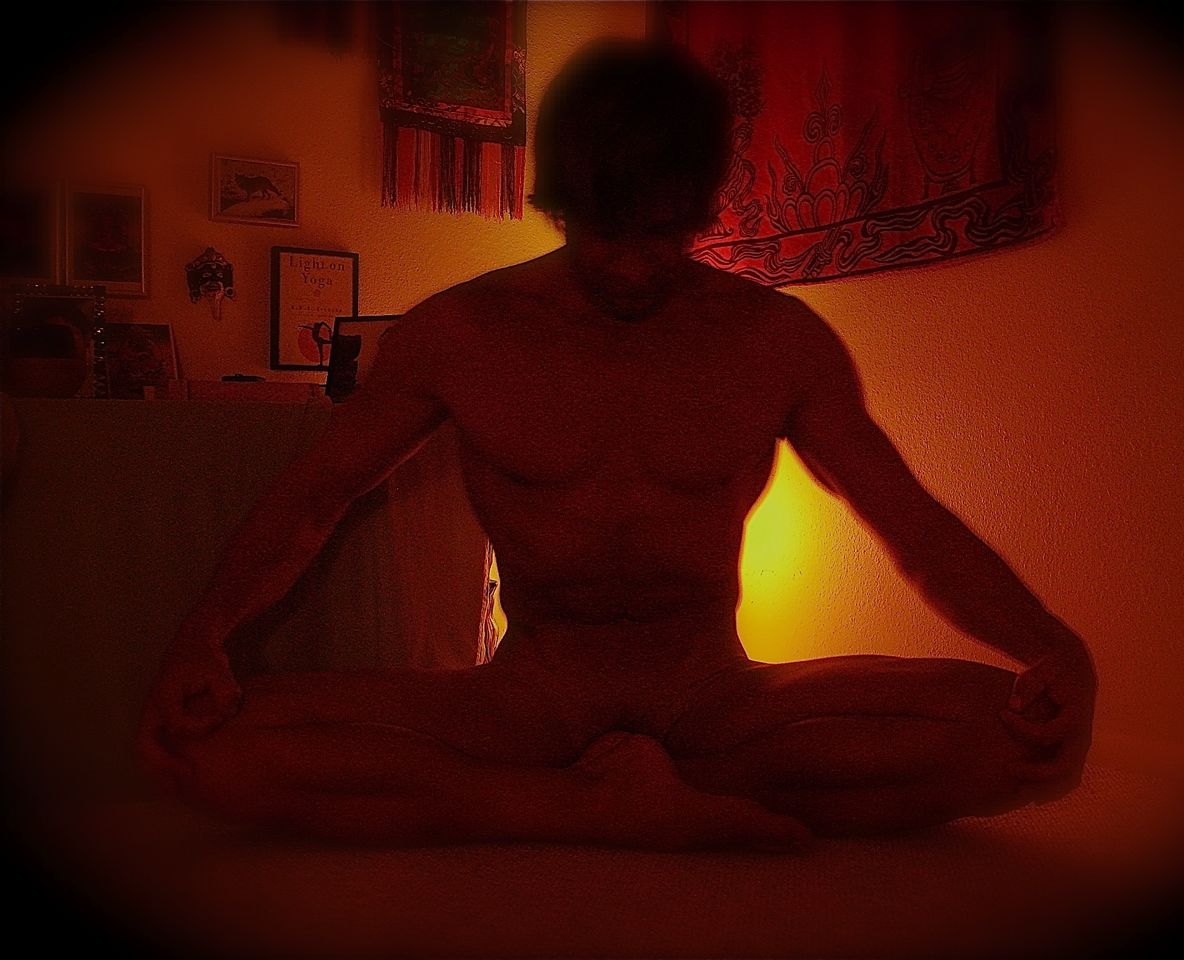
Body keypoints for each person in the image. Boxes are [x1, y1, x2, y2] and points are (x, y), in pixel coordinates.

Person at [138, 38, 1096, 853]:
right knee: (211, 754)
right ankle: (570, 807)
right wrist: (201, 637)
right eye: (608, 234)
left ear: (702, 208)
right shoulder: (460, 334)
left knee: (1019, 741)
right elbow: (313, 499)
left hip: (714, 701)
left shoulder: (777, 342)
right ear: (561, 205)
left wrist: (1049, 646)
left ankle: (654, 791)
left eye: (663, 234)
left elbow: (910, 525)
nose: (635, 265)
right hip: (528, 703)